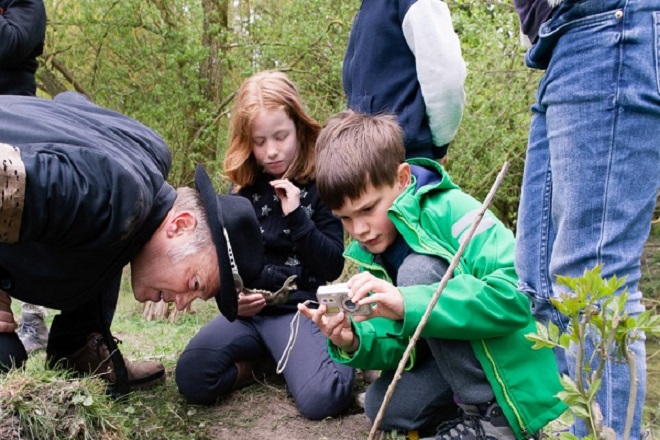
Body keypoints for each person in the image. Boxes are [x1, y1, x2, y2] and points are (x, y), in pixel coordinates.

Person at [300, 111, 566, 439]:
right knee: (381, 405)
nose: (360, 230)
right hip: (452, 361)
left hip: (509, 364)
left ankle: (493, 421)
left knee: (418, 272)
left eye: (368, 209)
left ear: (401, 178)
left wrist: (407, 301)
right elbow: (404, 344)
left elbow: (517, 296)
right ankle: (463, 415)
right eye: (345, 219)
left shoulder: (454, 211)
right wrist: (352, 339)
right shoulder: (375, 249)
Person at [0, 91, 264, 395]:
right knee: (5, 359)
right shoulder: (113, 199)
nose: (180, 304)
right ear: (181, 225)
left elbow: (70, 101)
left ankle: (77, 348)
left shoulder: (149, 150)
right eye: (194, 284)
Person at [512, 1, 660, 438]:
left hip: (612, 29)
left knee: (593, 283)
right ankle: (578, 429)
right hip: (563, 42)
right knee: (538, 281)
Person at [175, 71, 355, 420]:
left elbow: (332, 265)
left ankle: (306, 356)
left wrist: (296, 216)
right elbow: (223, 262)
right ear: (247, 141)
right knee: (193, 378)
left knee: (325, 396)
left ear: (299, 128)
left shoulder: (321, 184)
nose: (271, 151)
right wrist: (232, 301)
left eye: (281, 136)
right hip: (249, 319)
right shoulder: (240, 189)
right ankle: (262, 364)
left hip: (299, 312)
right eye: (260, 141)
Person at [342, 0, 466, 161]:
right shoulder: (369, 7)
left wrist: (438, 146)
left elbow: (446, 81)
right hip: (368, 164)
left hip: (405, 162)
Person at [0, 0, 50, 354]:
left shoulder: (26, 2)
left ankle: (33, 317)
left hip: (17, 131)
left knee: (22, 221)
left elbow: (11, 42)